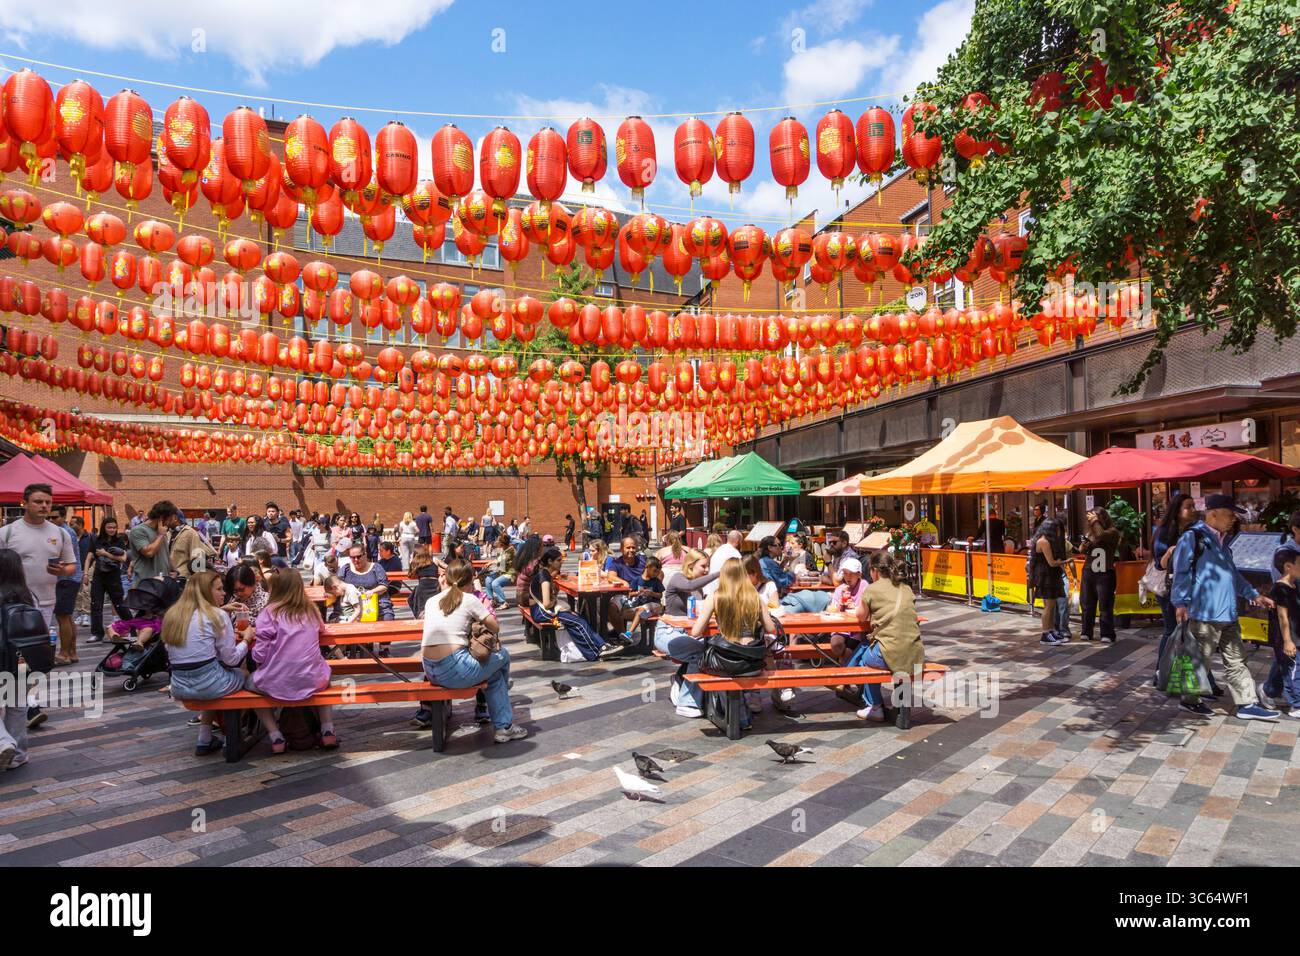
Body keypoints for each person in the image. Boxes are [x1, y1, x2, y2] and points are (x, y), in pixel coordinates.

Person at [1171, 493, 1278, 720]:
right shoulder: (1192, 538)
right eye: (1229, 515)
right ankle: (1189, 700)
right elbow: (1180, 572)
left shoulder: (1222, 542)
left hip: (1227, 613)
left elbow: (1233, 576)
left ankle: (1247, 704)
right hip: (1205, 613)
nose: (1232, 520)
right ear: (1213, 514)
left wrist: (1254, 595)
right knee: (1200, 660)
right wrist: (1180, 603)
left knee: (1237, 658)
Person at [418, 559, 525, 742]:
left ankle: (504, 723)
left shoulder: (431, 601)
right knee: (502, 657)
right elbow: (495, 627)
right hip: (455, 669)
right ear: (470, 581)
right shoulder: (469, 599)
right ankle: (504, 726)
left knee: (493, 676)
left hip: (429, 669)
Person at [163, 570, 254, 755]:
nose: (224, 593)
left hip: (179, 685)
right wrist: (247, 640)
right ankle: (232, 737)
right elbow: (232, 659)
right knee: (244, 675)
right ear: (206, 591)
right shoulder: (218, 617)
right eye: (219, 589)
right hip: (209, 684)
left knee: (215, 677)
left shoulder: (173, 615)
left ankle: (204, 738)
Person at [246, 570, 337, 753]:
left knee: (249, 687)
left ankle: (275, 736)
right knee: (326, 680)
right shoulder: (311, 610)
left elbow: (259, 655)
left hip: (276, 681)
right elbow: (321, 629)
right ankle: (327, 730)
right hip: (312, 679)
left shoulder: (269, 613)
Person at [691, 557, 776, 721]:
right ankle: (747, 704)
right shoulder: (755, 597)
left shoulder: (716, 597)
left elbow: (696, 632)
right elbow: (771, 629)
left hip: (726, 662)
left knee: (701, 658)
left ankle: (727, 712)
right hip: (752, 663)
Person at [851, 552, 926, 721]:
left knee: (864, 659)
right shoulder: (906, 588)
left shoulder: (871, 589)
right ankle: (899, 705)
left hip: (888, 651)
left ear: (874, 570)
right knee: (893, 651)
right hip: (915, 652)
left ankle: (875, 706)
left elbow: (861, 616)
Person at [656, 549, 721, 718]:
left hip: (690, 633)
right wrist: (719, 573)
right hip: (668, 631)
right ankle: (687, 702)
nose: (706, 570)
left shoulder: (699, 589)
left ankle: (681, 679)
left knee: (713, 651)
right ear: (691, 565)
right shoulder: (679, 578)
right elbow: (690, 586)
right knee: (699, 654)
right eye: (703, 566)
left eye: (708, 566)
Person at [530, 546, 621, 661]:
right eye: (558, 560)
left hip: (544, 612)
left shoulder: (546, 574)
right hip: (543, 615)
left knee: (577, 617)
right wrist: (554, 600)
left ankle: (602, 645)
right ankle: (595, 652)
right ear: (550, 561)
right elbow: (547, 603)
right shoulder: (544, 577)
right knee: (577, 621)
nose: (561, 563)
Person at [1152, 493, 1204, 686]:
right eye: (1188, 507)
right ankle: (1160, 671)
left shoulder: (1195, 531)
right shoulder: (1164, 532)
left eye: (1193, 506)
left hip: (1190, 589)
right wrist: (1171, 551)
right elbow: (1160, 564)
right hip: (1169, 589)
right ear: (1177, 511)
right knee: (1171, 629)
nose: (1193, 510)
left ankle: (1193, 676)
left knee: (1188, 633)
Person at [0, 548, 41, 768]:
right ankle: (18, 754)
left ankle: (3, 741)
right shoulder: (27, 596)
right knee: (17, 707)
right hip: (22, 662)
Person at [1259, 548, 1300, 716]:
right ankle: (1296, 704)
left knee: (1285, 665)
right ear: (1288, 566)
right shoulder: (1280, 589)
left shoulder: (1296, 584)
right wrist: (1287, 641)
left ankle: (1268, 690)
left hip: (1296, 635)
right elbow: (1283, 618)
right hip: (1286, 637)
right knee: (1293, 670)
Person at [1079, 508, 1120, 643]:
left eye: (1093, 518)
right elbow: (1082, 550)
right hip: (1089, 571)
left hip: (1104, 572)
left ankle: (1107, 633)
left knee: (1105, 605)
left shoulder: (1112, 532)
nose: (1090, 520)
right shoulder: (1091, 532)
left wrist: (1095, 521)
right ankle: (1086, 631)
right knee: (1087, 604)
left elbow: (1101, 535)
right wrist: (1084, 545)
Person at [86, 516, 129, 643]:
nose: (112, 530)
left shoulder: (119, 540)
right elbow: (89, 556)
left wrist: (106, 554)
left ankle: (131, 626)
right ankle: (97, 633)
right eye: (109, 527)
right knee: (95, 604)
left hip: (113, 575)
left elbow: (123, 559)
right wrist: (85, 574)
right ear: (104, 528)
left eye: (114, 527)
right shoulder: (96, 539)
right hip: (99, 575)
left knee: (119, 604)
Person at [47, 508, 82, 665]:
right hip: (69, 578)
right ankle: (72, 653)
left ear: (63, 517)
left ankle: (64, 653)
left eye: (55, 517)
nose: (51, 520)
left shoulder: (63, 532)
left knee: (62, 616)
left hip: (66, 578)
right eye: (50, 517)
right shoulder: (63, 531)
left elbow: (61, 555)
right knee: (67, 616)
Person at [1030, 518, 1071, 644]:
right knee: (1048, 606)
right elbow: (1052, 562)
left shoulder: (1042, 540)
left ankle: (1050, 630)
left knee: (1051, 605)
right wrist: (1065, 562)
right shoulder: (1044, 542)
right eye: (1057, 530)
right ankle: (1045, 633)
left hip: (1049, 576)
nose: (1058, 533)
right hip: (1046, 577)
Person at [126, 500, 179, 587]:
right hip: (146, 587)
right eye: (170, 519)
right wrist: (161, 535)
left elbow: (165, 555)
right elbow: (148, 552)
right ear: (162, 518)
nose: (171, 522)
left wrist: (175, 571)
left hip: (163, 585)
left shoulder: (162, 531)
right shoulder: (138, 531)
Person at [341, 543, 394, 624]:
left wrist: (372, 591)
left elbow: (384, 586)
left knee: (387, 620)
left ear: (365, 555)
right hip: (352, 609)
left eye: (358, 556)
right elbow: (337, 583)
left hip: (379, 606)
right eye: (353, 557)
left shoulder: (376, 567)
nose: (356, 559)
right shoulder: (345, 569)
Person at [705, 530, 744, 595]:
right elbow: (741, 573)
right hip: (721, 591)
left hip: (710, 588)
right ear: (737, 541)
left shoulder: (720, 549)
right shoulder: (734, 553)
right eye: (741, 542)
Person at [482, 542, 515, 608]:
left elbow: (501, 560)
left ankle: (503, 602)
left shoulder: (511, 550)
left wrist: (491, 563)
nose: (498, 546)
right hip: (501, 572)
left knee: (495, 583)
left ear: (503, 543)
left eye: (499, 544)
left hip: (510, 574)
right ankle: (491, 600)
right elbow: (500, 565)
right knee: (488, 579)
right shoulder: (503, 550)